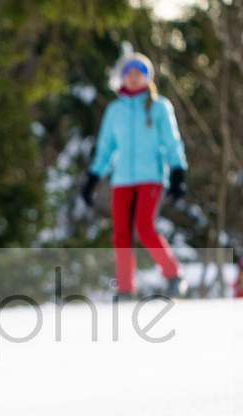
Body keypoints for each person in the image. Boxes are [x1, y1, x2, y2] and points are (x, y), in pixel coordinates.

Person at [81, 52, 189, 299]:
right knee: (120, 233)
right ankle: (125, 288)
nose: (132, 78)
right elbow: (106, 148)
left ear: (146, 76)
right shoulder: (115, 110)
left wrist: (178, 173)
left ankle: (173, 274)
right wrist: (93, 178)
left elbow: (172, 143)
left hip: (151, 177)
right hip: (122, 180)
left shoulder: (160, 106)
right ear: (121, 77)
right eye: (127, 73)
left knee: (144, 227)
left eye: (137, 73)